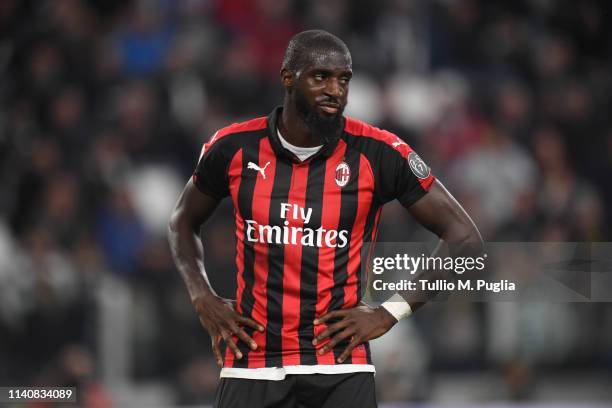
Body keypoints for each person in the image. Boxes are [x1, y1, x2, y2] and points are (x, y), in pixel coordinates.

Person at [168, 29, 482, 408]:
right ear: (288, 77)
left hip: (340, 366)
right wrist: (200, 293)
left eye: (344, 79)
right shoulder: (233, 147)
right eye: (321, 77)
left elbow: (465, 238)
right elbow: (182, 221)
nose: (335, 90)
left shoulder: (377, 153)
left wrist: (389, 313)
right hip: (253, 362)